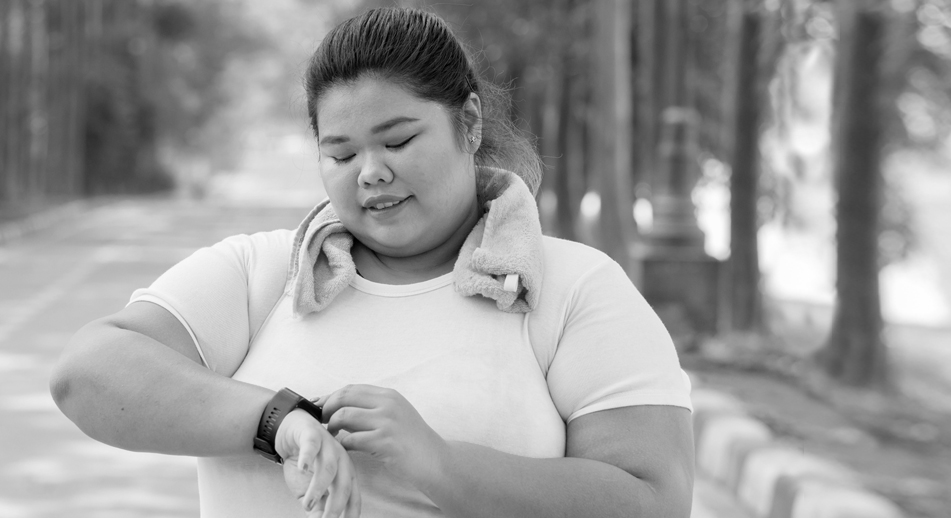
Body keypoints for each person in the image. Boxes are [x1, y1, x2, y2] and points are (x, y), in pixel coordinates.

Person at [50, 7, 694, 518]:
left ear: (468, 124)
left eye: (399, 139)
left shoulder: (574, 290)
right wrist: (277, 421)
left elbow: (654, 501)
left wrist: (437, 463)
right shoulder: (262, 275)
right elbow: (87, 374)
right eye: (341, 153)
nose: (372, 173)